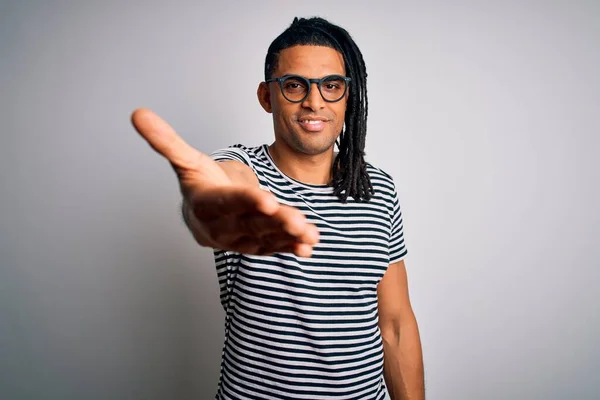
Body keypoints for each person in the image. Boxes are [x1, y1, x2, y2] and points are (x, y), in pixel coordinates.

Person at [131, 16, 424, 400]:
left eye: (331, 86)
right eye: (294, 85)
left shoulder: (378, 187)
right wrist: (207, 205)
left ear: (348, 96)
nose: (314, 101)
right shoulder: (244, 168)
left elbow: (396, 323)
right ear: (267, 96)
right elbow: (221, 186)